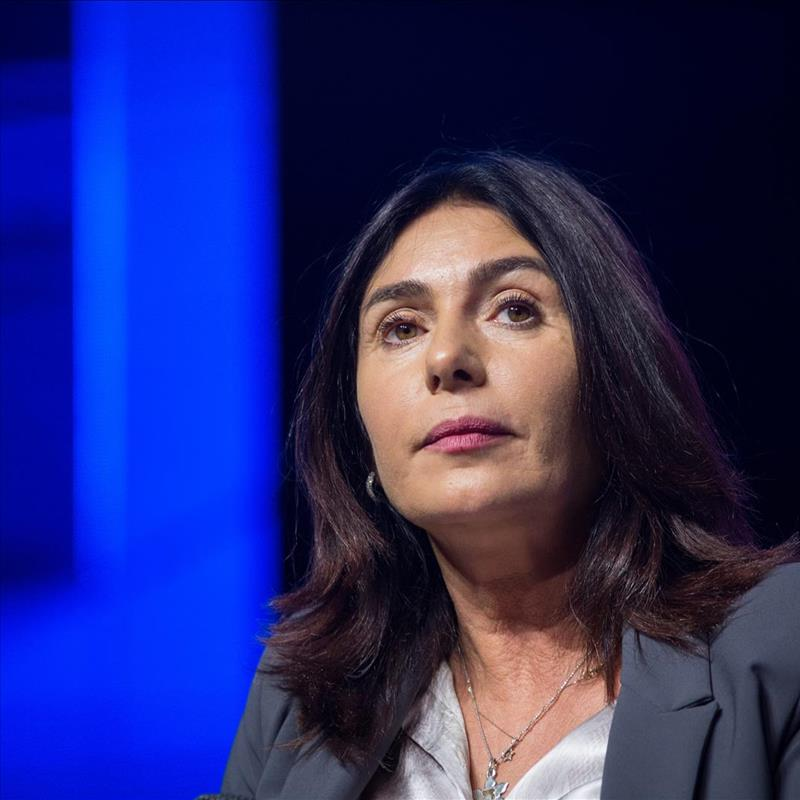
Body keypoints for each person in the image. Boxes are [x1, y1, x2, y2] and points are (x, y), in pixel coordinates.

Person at [214, 151, 799, 800]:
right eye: (401, 327)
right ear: (360, 434)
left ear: (617, 373)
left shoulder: (780, 645)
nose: (446, 357)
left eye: (514, 309)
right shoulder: (301, 694)